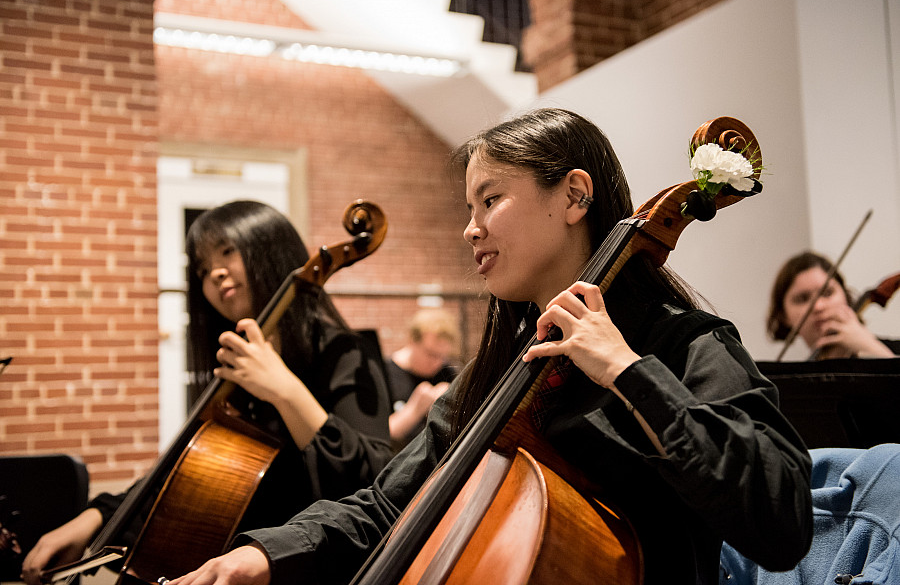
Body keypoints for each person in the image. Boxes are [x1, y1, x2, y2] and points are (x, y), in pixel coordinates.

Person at [167, 108, 813, 585]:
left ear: (574, 195)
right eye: (469, 205)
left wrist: (626, 370)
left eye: (491, 199)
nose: (470, 228)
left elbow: (781, 522)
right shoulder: (496, 375)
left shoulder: (684, 344)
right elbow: (390, 502)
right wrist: (260, 555)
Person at [21, 201, 394, 585]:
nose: (215, 273)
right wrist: (96, 518)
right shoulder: (232, 371)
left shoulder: (345, 354)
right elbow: (182, 477)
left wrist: (285, 391)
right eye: (202, 268)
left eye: (228, 251)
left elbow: (376, 485)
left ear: (271, 248)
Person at [767, 251, 898, 359]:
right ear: (784, 316)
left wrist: (870, 348)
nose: (818, 306)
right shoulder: (792, 384)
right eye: (802, 299)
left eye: (827, 293)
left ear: (845, 296)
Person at [385, 307, 460, 448]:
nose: (437, 363)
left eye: (442, 356)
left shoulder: (448, 373)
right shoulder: (387, 372)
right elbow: (382, 434)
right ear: (412, 341)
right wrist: (415, 409)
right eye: (431, 354)